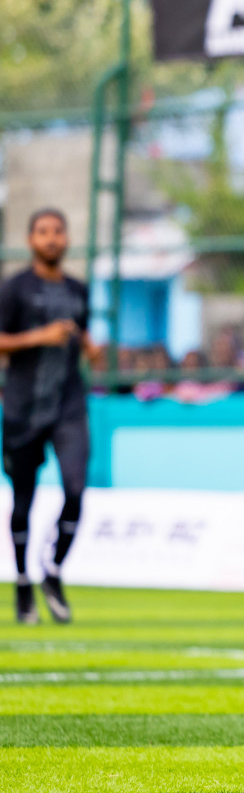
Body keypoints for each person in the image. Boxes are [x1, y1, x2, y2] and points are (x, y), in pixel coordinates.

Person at [0, 209, 94, 625]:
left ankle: (52, 570)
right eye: (43, 232)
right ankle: (23, 582)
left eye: (58, 231)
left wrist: (90, 347)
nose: (52, 238)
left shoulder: (79, 289)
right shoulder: (14, 289)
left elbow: (81, 331)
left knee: (76, 488)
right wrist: (40, 336)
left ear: (67, 237)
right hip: (23, 409)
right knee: (23, 504)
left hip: (69, 406)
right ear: (31, 238)